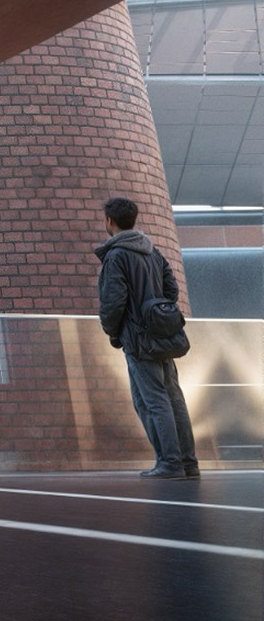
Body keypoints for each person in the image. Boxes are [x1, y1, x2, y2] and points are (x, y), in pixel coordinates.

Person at [95, 196, 199, 480]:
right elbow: (171, 288)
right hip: (162, 337)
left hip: (139, 340)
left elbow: (113, 302)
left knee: (152, 401)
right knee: (173, 397)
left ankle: (169, 463)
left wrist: (114, 333)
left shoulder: (117, 256)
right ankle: (188, 462)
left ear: (109, 221)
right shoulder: (152, 252)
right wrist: (158, 315)